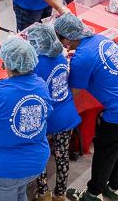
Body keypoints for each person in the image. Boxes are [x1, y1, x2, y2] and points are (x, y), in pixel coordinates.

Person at [56, 13, 118, 201]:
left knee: (105, 149)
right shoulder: (101, 40)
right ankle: (115, 186)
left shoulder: (82, 57)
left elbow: (74, 93)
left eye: (61, 40)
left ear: (68, 38)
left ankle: (93, 193)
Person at [0, 37, 51, 201]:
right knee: (19, 193)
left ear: (5, 64)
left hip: (4, 168)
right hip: (34, 162)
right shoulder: (41, 85)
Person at [28, 23, 81, 201]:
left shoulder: (34, 63)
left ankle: (43, 192)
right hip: (66, 113)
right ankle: (60, 193)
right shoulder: (59, 57)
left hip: (47, 118)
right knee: (62, 155)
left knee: (41, 155)